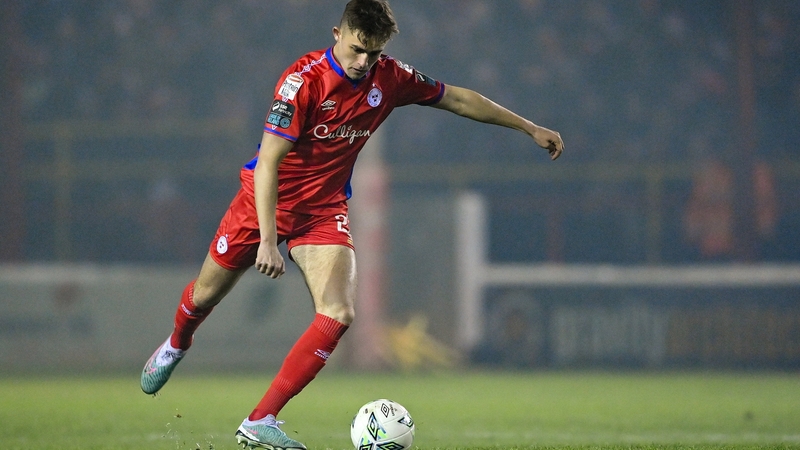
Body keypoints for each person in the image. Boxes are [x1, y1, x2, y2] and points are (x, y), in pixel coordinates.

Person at [140, 0, 564, 448]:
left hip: (323, 210)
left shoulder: (391, 77)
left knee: (339, 312)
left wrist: (529, 127)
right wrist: (267, 241)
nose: (365, 63)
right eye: (359, 50)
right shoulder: (301, 82)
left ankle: (259, 420)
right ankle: (177, 343)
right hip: (265, 202)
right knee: (205, 294)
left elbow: (456, 98)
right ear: (337, 34)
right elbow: (267, 164)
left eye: (375, 53)